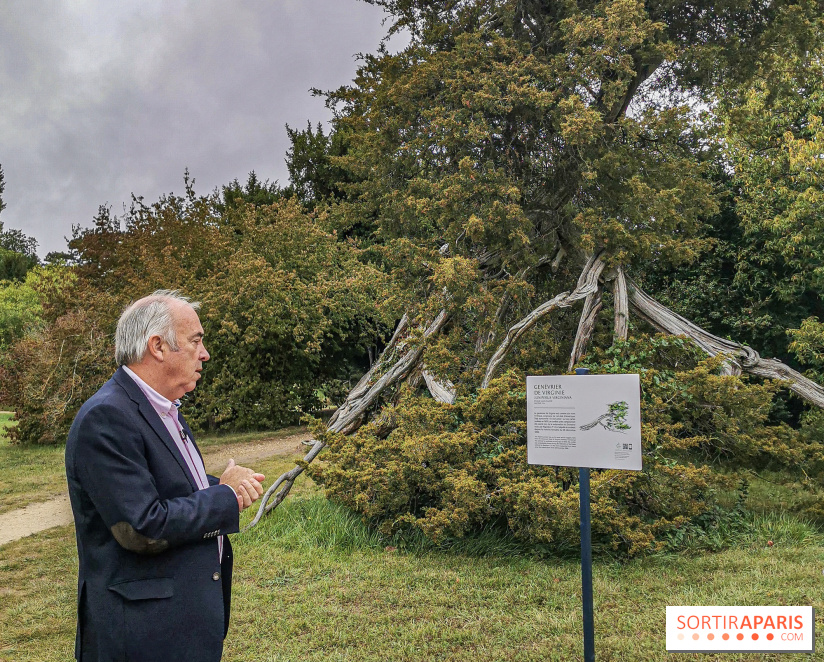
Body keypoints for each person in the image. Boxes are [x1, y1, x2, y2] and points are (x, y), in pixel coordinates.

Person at [65, 290, 266, 662]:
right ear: (157, 346)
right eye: (195, 341)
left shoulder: (161, 407)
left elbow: (169, 482)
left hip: (174, 629)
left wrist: (215, 484)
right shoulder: (106, 417)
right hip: (142, 637)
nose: (204, 354)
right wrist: (224, 495)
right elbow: (143, 527)